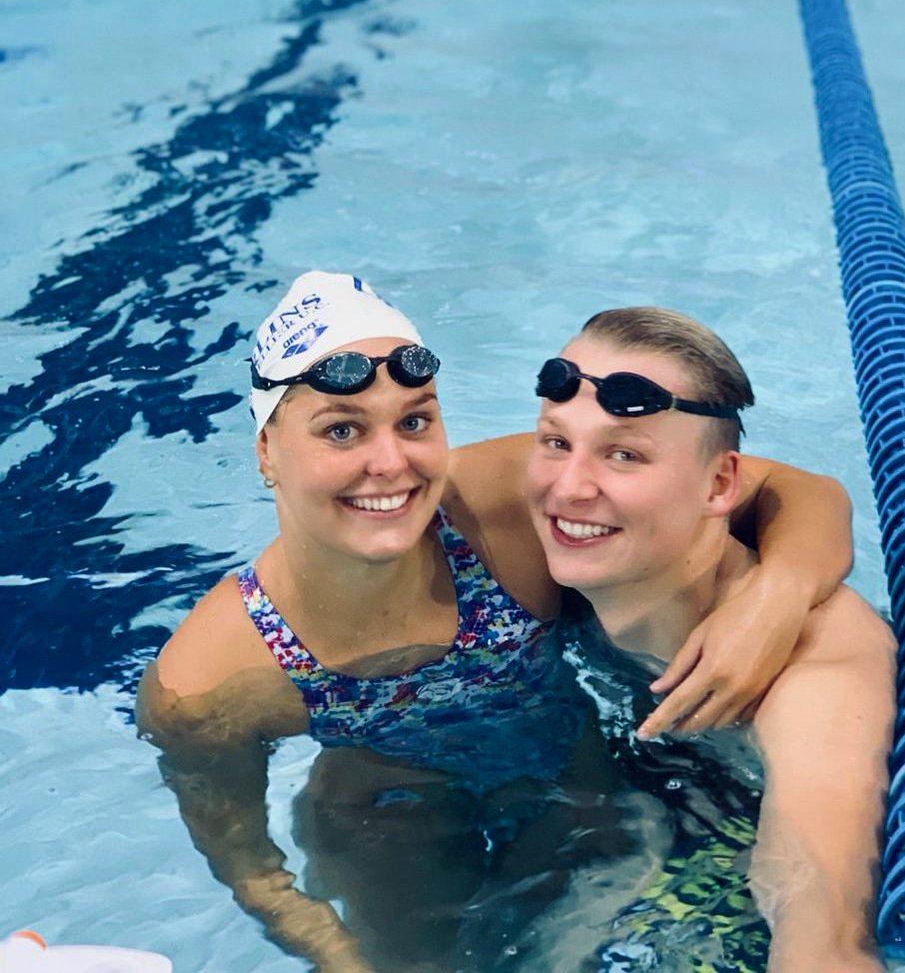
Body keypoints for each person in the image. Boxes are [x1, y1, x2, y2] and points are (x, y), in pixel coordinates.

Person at [136, 272, 857, 972]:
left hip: (577, 776)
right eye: (342, 431)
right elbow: (255, 873)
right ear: (267, 452)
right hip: (384, 815)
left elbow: (798, 490)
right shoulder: (209, 680)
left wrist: (776, 601)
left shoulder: (509, 503)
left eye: (415, 420)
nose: (390, 464)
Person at [525, 306, 898, 973]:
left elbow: (823, 928)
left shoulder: (818, 680)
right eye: (557, 442)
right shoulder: (559, 549)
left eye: (623, 454)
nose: (568, 487)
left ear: (721, 484)